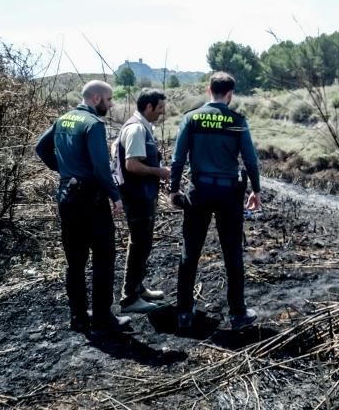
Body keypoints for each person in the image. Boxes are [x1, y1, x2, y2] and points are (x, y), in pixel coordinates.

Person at [35, 80, 131, 337]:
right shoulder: (93, 124)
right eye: (109, 100)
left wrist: (65, 170)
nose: (111, 106)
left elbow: (41, 149)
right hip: (92, 200)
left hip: (67, 198)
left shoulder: (63, 119)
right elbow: (101, 168)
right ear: (97, 98)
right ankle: (102, 319)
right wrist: (115, 196)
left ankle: (78, 318)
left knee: (75, 262)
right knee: (103, 258)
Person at [169, 71, 261, 331]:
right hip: (229, 194)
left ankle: (184, 312)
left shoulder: (191, 118)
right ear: (229, 94)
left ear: (209, 89)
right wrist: (256, 189)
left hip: (198, 191)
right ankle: (238, 314)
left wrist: (174, 189)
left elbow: (178, 159)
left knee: (190, 252)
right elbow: (250, 160)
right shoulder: (236, 121)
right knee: (232, 253)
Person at [115, 88, 171, 314]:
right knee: (139, 245)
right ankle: (130, 299)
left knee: (143, 243)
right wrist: (160, 172)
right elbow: (132, 165)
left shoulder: (140, 126)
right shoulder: (137, 129)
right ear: (149, 107)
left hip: (142, 195)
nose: (161, 113)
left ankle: (137, 288)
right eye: (160, 109)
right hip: (137, 196)